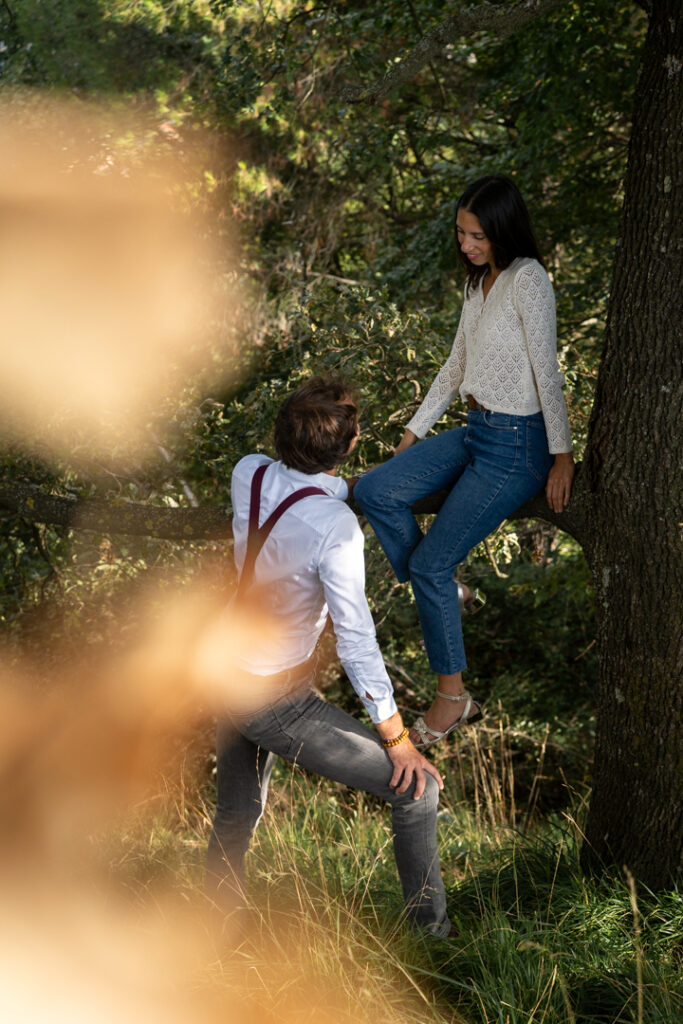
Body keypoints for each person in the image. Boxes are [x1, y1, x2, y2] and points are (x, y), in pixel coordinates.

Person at [206, 376, 451, 937]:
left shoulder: (249, 471)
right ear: (347, 447)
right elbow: (356, 639)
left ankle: (214, 924)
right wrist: (397, 739)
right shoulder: (336, 530)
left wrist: (349, 488)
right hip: (271, 696)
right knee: (419, 791)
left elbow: (303, 491)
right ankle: (432, 938)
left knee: (237, 812)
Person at [354, 174, 574, 750]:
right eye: (460, 233)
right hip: (474, 432)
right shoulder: (478, 285)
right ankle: (446, 592)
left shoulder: (529, 280)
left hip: (517, 447)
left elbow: (547, 373)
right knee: (374, 490)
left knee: (428, 564)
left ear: (502, 229)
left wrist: (563, 457)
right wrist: (411, 433)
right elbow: (454, 368)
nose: (466, 244)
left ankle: (453, 696)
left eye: (476, 235)